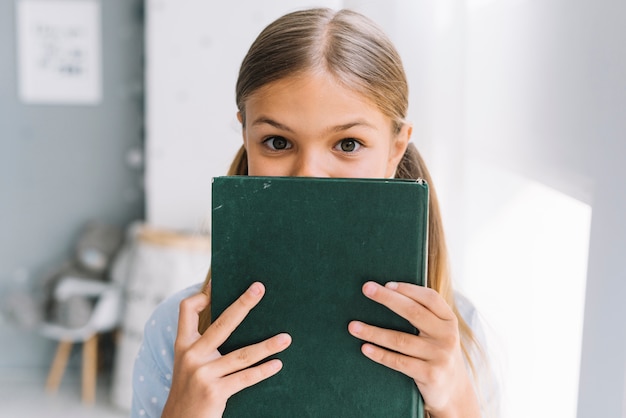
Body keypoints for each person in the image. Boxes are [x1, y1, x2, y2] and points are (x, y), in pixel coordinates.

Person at [131, 7, 497, 418]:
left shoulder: (455, 333)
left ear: (396, 150)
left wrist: (456, 403)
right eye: (276, 141)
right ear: (246, 137)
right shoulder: (179, 333)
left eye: (348, 144)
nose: (308, 176)